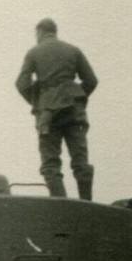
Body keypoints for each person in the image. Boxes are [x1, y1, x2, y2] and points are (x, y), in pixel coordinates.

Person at [15, 18, 98, 200]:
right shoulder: (73, 50)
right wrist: (76, 96)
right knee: (80, 161)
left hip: (48, 115)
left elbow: (21, 84)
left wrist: (39, 101)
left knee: (50, 163)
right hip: (74, 111)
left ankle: (61, 205)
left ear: (39, 32)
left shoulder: (34, 53)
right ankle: (87, 203)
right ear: (54, 31)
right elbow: (91, 80)